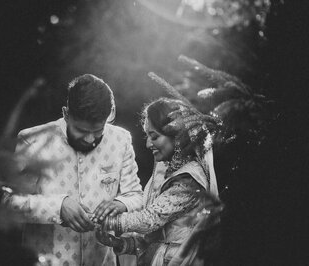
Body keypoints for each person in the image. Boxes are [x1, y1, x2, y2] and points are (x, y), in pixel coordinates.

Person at [3, 74, 144, 265]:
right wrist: (58, 206)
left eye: (97, 131)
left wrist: (121, 204)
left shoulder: (121, 140)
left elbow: (135, 195)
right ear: (66, 114)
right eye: (81, 130)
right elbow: (8, 202)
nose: (89, 139)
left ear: (110, 114)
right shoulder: (34, 140)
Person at [94, 98, 221, 266]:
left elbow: (149, 220)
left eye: (154, 136)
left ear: (176, 136)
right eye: (147, 136)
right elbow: (157, 240)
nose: (148, 144)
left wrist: (101, 219)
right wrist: (119, 244)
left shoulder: (190, 178)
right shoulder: (169, 174)